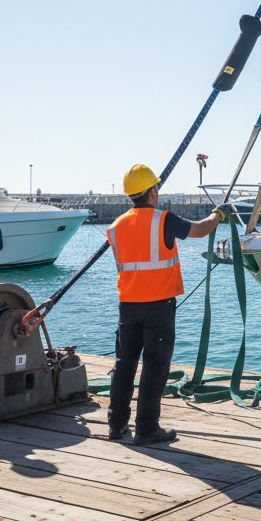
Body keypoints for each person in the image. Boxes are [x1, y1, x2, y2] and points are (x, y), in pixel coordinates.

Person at [105, 164, 223, 445]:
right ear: (153, 193)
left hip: (127, 305)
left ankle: (115, 425)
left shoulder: (115, 227)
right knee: (155, 366)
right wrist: (218, 214)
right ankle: (147, 428)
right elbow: (201, 230)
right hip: (158, 305)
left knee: (124, 365)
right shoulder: (163, 221)